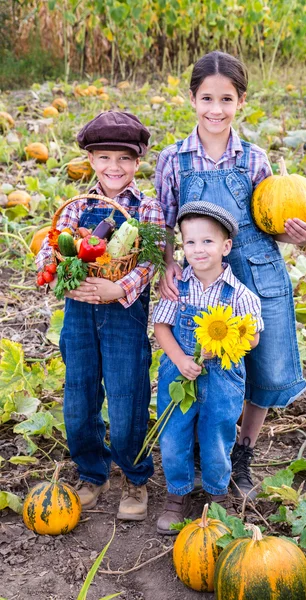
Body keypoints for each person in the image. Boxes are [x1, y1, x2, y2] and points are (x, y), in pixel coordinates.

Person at [155, 51, 306, 501]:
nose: (215, 109)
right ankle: (198, 448)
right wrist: (168, 261)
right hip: (199, 270)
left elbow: (271, 223)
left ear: (240, 101)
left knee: (261, 365)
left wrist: (298, 237)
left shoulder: (254, 159)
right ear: (192, 98)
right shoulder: (174, 159)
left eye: (226, 99)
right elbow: (162, 223)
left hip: (254, 267)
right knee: (197, 358)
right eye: (206, 98)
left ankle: (240, 449)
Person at [36, 111, 166, 520]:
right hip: (78, 315)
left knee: (128, 399)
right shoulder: (79, 207)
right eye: (105, 157)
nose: (115, 167)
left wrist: (119, 287)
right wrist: (59, 274)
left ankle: (134, 476)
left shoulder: (148, 208)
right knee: (79, 396)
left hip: (123, 317)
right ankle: (92, 473)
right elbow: (53, 245)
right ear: (91, 160)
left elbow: (150, 263)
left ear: (138, 163)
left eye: (124, 159)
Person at [153, 202, 263, 533]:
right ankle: (177, 494)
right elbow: (161, 328)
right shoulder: (177, 288)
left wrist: (224, 346)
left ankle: (218, 494)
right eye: (190, 242)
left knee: (217, 434)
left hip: (223, 378)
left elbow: (253, 336)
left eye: (207, 242)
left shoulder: (239, 294)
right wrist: (181, 359)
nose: (198, 250)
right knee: (174, 433)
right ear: (181, 246)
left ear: (226, 247)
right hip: (180, 371)